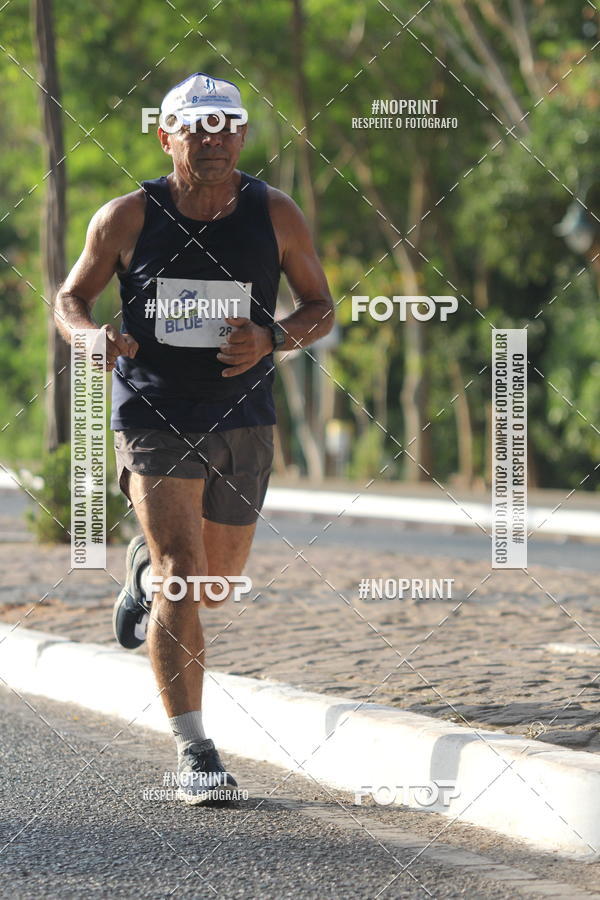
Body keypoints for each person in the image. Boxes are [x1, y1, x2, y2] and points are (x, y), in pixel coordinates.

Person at [55, 72, 334, 805]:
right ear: (166, 134)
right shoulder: (125, 217)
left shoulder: (275, 214)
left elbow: (320, 307)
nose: (211, 138)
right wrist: (91, 339)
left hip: (243, 416)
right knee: (186, 573)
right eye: (195, 125)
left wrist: (272, 337)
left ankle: (143, 568)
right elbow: (70, 297)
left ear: (242, 135)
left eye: (225, 125)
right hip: (154, 411)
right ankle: (195, 751)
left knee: (212, 583)